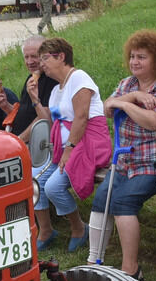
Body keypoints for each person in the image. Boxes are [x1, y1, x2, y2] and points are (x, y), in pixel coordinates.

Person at [88, 30, 156, 281]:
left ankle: (130, 270)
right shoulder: (128, 84)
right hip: (125, 160)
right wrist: (132, 97)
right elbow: (106, 109)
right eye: (132, 56)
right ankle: (93, 260)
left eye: (141, 57)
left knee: (122, 203)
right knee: (101, 199)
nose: (134, 62)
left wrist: (126, 105)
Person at [33, 37, 110, 253]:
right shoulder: (58, 89)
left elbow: (82, 117)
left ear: (61, 57)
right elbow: (51, 120)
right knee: (36, 182)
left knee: (53, 187)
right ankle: (50, 229)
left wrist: (68, 150)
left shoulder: (79, 78)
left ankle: (78, 228)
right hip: (68, 146)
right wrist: (35, 99)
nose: (42, 64)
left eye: (45, 58)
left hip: (87, 144)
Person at [11, 35, 55, 143]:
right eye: (26, 57)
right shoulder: (31, 78)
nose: (30, 62)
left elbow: (44, 116)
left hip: (36, 145)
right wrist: (4, 105)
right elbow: (25, 112)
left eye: (34, 56)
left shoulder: (52, 79)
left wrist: (19, 140)